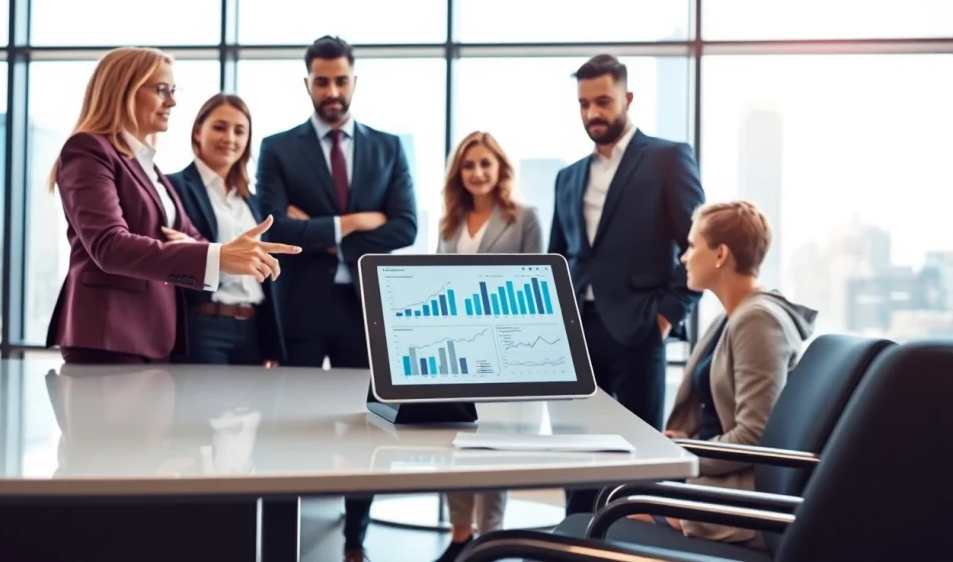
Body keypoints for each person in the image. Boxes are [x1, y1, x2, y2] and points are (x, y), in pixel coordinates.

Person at [255, 35, 417, 562]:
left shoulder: (388, 146)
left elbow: (406, 228)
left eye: (340, 80)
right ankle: (284, 534)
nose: (331, 90)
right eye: (321, 81)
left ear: (354, 81)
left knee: (370, 425)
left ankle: (354, 538)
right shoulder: (278, 148)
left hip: (365, 311)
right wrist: (352, 222)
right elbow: (277, 228)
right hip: (300, 309)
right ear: (307, 83)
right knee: (288, 427)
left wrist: (317, 228)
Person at [45, 46, 300, 366]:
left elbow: (193, 238)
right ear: (125, 90)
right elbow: (109, 245)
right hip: (109, 333)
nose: (173, 101)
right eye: (161, 90)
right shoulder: (89, 149)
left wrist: (220, 252)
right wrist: (219, 254)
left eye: (173, 91)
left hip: (152, 334)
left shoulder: (148, 168)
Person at [548, 53, 706, 515]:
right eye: (583, 104)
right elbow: (560, 259)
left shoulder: (667, 159)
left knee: (639, 459)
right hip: (578, 332)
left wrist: (665, 316)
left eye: (603, 101)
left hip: (639, 329)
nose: (593, 113)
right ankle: (574, 538)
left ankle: (632, 545)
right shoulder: (567, 176)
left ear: (627, 98)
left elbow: (696, 246)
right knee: (575, 453)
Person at [631, 200, 817, 548]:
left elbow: (754, 434)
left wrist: (686, 453)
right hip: (721, 475)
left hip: (743, 492)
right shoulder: (732, 316)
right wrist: (683, 441)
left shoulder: (757, 320)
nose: (683, 257)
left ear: (720, 255)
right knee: (622, 494)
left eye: (691, 246)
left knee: (622, 506)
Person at [433, 131, 543, 562]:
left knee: (496, 442)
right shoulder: (449, 222)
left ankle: (490, 539)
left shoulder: (525, 217)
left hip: (504, 347)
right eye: (469, 165)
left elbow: (536, 283)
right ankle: (461, 535)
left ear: (500, 169)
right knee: (453, 441)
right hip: (455, 348)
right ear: (458, 173)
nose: (477, 173)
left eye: (485, 164)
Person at [165, 93, 286, 367]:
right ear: (198, 131)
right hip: (203, 325)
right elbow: (168, 253)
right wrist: (197, 252)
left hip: (252, 328)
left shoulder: (252, 201)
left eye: (239, 131)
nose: (230, 138)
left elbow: (262, 275)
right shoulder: (174, 188)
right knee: (202, 409)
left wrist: (270, 342)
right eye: (220, 127)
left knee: (255, 410)